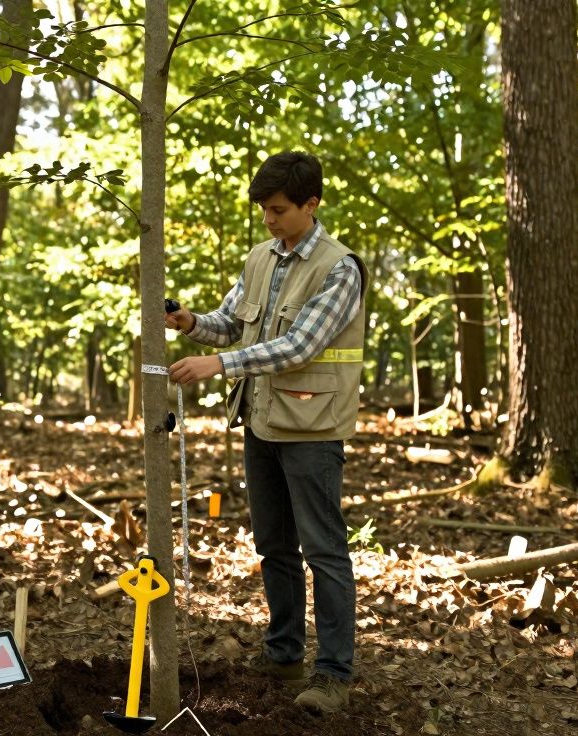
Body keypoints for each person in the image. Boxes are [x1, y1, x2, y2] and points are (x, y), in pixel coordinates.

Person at [165, 151, 367, 714]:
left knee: (324, 551)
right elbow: (233, 321)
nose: (269, 220)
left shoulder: (339, 267)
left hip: (312, 429)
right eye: (262, 210)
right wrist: (192, 323)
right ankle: (284, 655)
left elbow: (301, 345)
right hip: (262, 423)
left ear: (311, 204)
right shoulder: (260, 258)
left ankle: (332, 674)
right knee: (272, 546)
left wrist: (222, 365)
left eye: (278, 209)